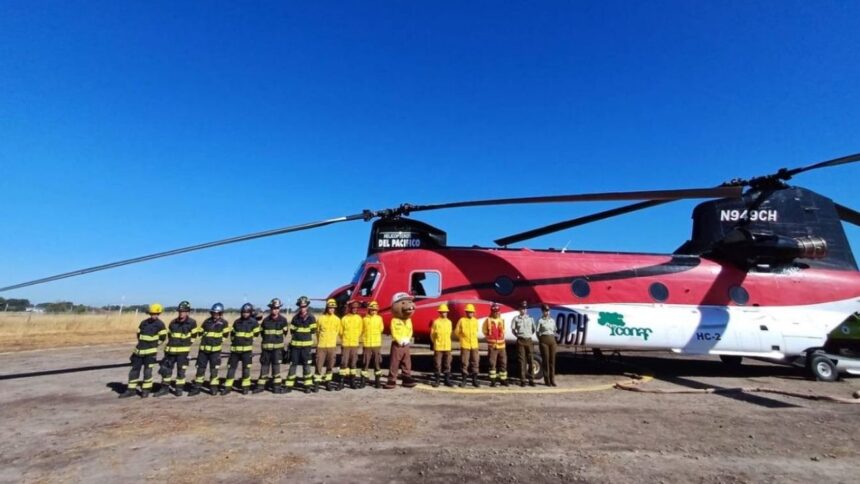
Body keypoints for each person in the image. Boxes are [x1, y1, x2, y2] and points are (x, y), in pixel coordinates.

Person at [118, 303, 167, 398]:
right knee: (134, 371)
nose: (154, 315)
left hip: (150, 353)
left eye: (156, 314)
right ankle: (131, 390)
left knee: (147, 372)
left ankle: (146, 390)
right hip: (139, 351)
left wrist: (153, 345)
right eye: (152, 313)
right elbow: (139, 334)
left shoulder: (160, 324)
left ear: (159, 314)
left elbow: (163, 337)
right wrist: (142, 344)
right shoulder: (144, 322)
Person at [153, 301, 199, 397]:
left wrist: (186, 345)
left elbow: (194, 336)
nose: (181, 313)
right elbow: (170, 335)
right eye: (180, 311)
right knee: (166, 371)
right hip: (171, 352)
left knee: (181, 371)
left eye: (183, 311)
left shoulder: (192, 323)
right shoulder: (173, 322)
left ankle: (179, 389)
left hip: (183, 353)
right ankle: (164, 388)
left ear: (187, 312)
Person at [188, 303, 230, 396]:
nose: (215, 314)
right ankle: (197, 388)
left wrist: (217, 342)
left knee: (214, 370)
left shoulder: (224, 323)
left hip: (215, 351)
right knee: (200, 369)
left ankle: (213, 387)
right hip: (203, 351)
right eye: (213, 313)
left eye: (217, 313)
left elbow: (226, 335)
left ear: (220, 313)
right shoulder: (207, 321)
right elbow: (200, 332)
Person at [221, 303, 261, 395]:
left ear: (250, 313)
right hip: (235, 350)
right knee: (231, 369)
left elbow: (256, 334)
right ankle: (227, 387)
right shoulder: (237, 322)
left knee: (246, 369)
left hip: (246, 351)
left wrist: (249, 341)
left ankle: (245, 387)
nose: (245, 314)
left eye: (247, 312)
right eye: (243, 312)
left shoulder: (254, 322)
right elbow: (233, 334)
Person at [255, 298, 289, 394]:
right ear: (270, 309)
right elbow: (262, 333)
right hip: (266, 350)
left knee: (276, 368)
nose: (275, 310)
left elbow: (285, 332)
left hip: (277, 350)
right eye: (273, 308)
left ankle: (276, 387)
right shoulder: (265, 321)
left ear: (279, 309)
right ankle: (260, 386)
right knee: (264, 368)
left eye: (277, 308)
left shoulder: (283, 320)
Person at [384, 292, 417, 389]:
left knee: (406, 362)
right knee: (394, 362)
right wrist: (399, 340)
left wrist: (408, 339)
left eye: (409, 302)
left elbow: (410, 330)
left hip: (406, 344)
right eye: (403, 303)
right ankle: (392, 379)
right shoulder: (394, 320)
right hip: (397, 344)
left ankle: (406, 378)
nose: (409, 305)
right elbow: (394, 332)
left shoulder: (409, 320)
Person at [285, 296, 317, 393]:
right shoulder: (295, 318)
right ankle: (289, 385)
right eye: (301, 306)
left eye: (304, 306)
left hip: (306, 348)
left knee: (306, 366)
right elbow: (292, 331)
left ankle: (307, 386)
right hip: (295, 347)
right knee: (293, 365)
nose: (302, 308)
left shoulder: (311, 318)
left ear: (307, 306)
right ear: (299, 307)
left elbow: (313, 330)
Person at [316, 298, 343, 391]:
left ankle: (328, 383)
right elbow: (317, 332)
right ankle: (317, 383)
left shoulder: (337, 320)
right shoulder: (320, 319)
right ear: (327, 308)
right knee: (318, 365)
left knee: (330, 366)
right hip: (321, 346)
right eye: (330, 307)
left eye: (333, 308)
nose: (332, 309)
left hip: (332, 346)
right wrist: (320, 342)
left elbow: (339, 332)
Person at [511, 300, 536, 386]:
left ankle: (531, 379)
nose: (524, 310)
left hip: (529, 340)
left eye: (525, 308)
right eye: (522, 308)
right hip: (520, 341)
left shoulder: (531, 318)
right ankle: (523, 380)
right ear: (519, 309)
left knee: (531, 360)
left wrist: (528, 335)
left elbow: (533, 329)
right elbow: (513, 329)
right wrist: (518, 336)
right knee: (522, 361)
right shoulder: (516, 319)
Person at [482, 303, 508, 387]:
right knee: (492, 364)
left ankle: (503, 380)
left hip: (502, 346)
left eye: (497, 311)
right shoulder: (488, 320)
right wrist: (489, 338)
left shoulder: (502, 320)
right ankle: (493, 381)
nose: (496, 313)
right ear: (492, 312)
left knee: (503, 363)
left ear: (499, 312)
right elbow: (484, 330)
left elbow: (504, 331)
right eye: (494, 311)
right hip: (492, 346)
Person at [454, 303, 481, 387]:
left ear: (473, 312)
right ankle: (464, 380)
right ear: (466, 312)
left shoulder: (475, 321)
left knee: (475, 362)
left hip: (474, 345)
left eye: (471, 312)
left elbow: (476, 330)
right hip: (465, 345)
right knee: (464, 362)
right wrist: (462, 338)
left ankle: (474, 380)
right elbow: (456, 332)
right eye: (469, 312)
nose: (470, 313)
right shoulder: (462, 320)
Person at [340, 301, 364, 389]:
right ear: (350, 308)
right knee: (344, 363)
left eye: (356, 308)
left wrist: (356, 337)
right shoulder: (344, 318)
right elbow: (341, 331)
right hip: (346, 343)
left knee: (353, 363)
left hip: (354, 343)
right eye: (353, 308)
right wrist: (345, 337)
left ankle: (352, 382)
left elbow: (360, 330)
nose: (355, 309)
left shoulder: (359, 318)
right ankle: (342, 382)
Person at [429, 303, 454, 387]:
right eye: (443, 312)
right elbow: (432, 335)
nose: (444, 313)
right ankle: (437, 380)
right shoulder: (436, 322)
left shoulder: (449, 322)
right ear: (439, 312)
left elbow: (450, 333)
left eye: (445, 312)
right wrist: (436, 342)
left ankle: (447, 380)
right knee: (437, 363)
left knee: (447, 363)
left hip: (447, 346)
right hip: (438, 346)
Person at [361, 301, 385, 388]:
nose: (374, 311)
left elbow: (381, 329)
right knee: (365, 362)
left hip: (376, 344)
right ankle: (363, 381)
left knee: (377, 363)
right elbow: (362, 330)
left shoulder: (379, 319)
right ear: (369, 310)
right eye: (372, 310)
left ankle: (377, 381)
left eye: (375, 310)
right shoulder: (364, 319)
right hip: (367, 344)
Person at [537, 304, 558, 386]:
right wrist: (541, 340)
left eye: (548, 310)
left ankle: (552, 380)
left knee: (552, 361)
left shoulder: (552, 320)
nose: (547, 312)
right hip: (544, 340)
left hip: (552, 340)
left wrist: (553, 338)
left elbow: (555, 330)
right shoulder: (540, 320)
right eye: (545, 311)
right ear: (542, 312)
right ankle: (547, 380)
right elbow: (537, 332)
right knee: (546, 360)